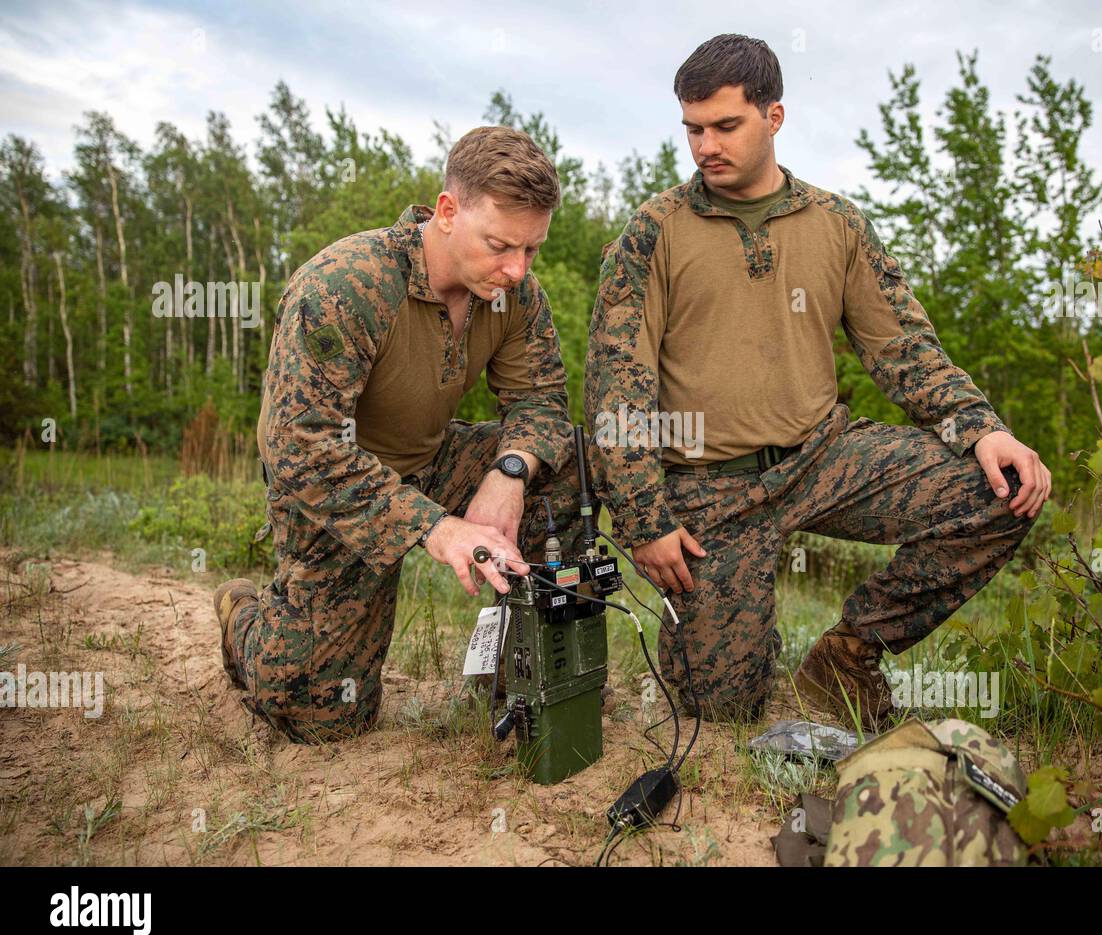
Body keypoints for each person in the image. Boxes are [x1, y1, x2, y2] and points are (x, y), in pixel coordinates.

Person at [584, 35, 1050, 729]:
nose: (705, 145)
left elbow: (903, 349)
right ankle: (740, 634)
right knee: (722, 712)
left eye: (725, 126)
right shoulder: (654, 231)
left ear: (774, 117)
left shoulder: (837, 225)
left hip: (824, 456)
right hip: (711, 489)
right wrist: (646, 520)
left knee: (1001, 489)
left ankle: (848, 654)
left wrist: (982, 428)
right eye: (693, 129)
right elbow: (616, 386)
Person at [215, 126, 580, 743]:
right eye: (499, 245)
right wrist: (436, 528)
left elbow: (541, 400)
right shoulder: (343, 287)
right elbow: (299, 448)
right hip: (340, 486)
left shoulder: (513, 294)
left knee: (568, 466)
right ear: (446, 212)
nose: (517, 269)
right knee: (322, 715)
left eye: (532, 250)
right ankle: (242, 618)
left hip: (433, 460)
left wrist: (510, 471)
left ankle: (520, 681)